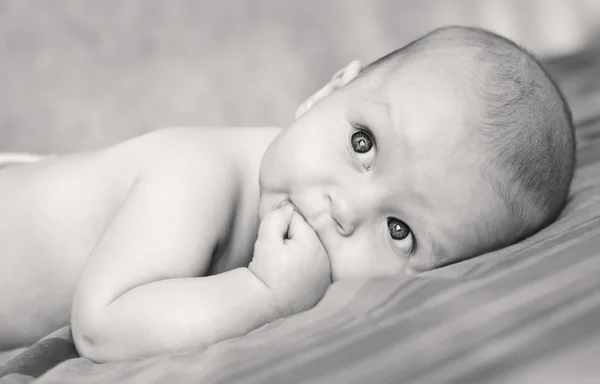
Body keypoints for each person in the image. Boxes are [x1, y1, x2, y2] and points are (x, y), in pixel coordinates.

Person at [0, 26, 575, 362]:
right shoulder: (194, 178)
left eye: (399, 232)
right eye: (363, 143)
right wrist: (266, 295)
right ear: (327, 90)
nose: (344, 210)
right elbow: (102, 327)